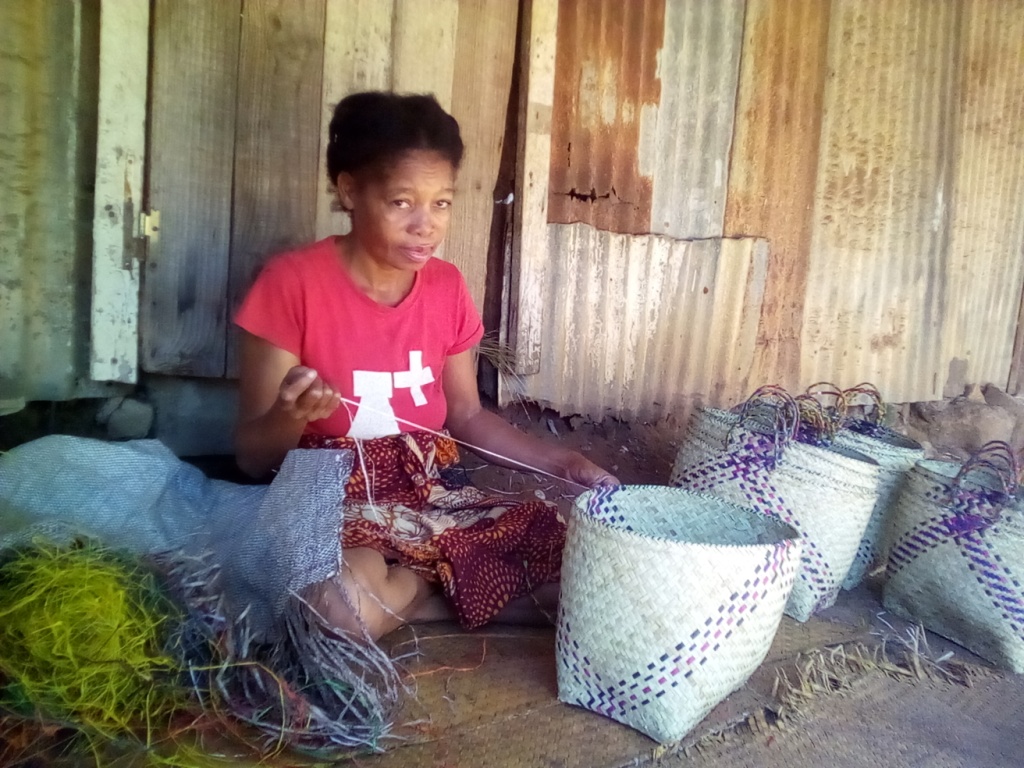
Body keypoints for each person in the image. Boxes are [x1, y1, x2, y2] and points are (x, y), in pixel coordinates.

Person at [234, 91, 618, 641]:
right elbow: (252, 457)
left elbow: (465, 414)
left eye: (441, 203)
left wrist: (563, 463)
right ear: (349, 191)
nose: (426, 225)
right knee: (336, 605)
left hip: (431, 490)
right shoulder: (292, 284)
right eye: (401, 202)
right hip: (334, 495)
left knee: (591, 575)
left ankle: (416, 588)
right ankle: (445, 585)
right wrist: (292, 415)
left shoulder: (446, 288)